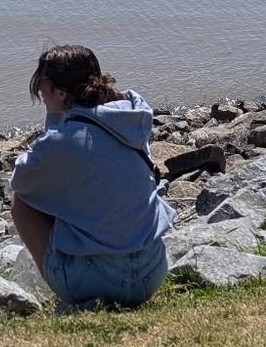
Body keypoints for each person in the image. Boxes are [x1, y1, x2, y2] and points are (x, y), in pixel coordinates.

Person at [10, 45, 174, 310]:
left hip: (94, 282)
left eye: (44, 91)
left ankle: (69, 291)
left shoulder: (62, 139)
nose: (42, 98)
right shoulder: (132, 117)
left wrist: (54, 120)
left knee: (23, 200)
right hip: (151, 272)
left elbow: (21, 179)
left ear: (59, 92)